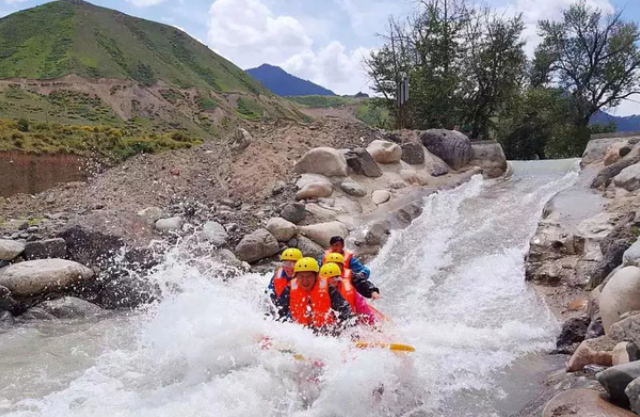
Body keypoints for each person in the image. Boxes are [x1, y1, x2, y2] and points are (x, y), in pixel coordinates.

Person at [276, 257, 354, 334]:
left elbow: (345, 309)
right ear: (296, 276)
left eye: (308, 276)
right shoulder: (290, 288)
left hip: (326, 332)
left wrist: (342, 328)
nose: (305, 281)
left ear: (316, 276)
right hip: (300, 332)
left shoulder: (328, 288)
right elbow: (278, 313)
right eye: (301, 276)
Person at [267, 248, 302, 316]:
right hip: (280, 311)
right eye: (285, 263)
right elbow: (269, 296)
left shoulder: (305, 278)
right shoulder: (277, 277)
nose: (288, 267)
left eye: (292, 264)